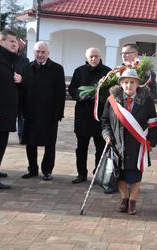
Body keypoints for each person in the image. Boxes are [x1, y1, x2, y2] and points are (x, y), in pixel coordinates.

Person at [101, 68, 157, 215]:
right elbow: (105, 121)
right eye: (125, 82)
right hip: (118, 144)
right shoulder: (112, 101)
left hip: (138, 144)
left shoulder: (147, 100)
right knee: (120, 173)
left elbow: (153, 123)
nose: (129, 85)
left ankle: (132, 202)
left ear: (138, 84)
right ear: (121, 84)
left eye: (132, 82)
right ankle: (124, 199)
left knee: (135, 174)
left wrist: (151, 142)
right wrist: (107, 135)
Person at [21, 41, 66, 181]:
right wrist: (21, 111)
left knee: (49, 143)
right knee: (30, 142)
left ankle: (47, 170)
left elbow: (61, 93)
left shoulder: (57, 69)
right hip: (30, 113)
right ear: (34, 52)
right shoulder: (26, 68)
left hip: (49, 113)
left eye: (43, 52)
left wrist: (59, 113)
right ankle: (32, 169)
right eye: (37, 52)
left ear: (48, 53)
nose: (40, 55)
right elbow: (22, 91)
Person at [68, 48, 111, 184]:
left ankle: (98, 174)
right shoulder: (79, 71)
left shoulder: (107, 72)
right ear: (86, 57)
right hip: (82, 116)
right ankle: (81, 174)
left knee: (100, 148)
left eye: (96, 56)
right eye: (91, 56)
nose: (94, 59)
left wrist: (101, 96)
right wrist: (81, 95)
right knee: (81, 148)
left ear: (100, 57)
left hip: (100, 117)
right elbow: (72, 89)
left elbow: (111, 91)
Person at [0, 30, 22, 189]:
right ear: (1, 42)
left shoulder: (9, 60)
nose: (15, 44)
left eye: (16, 42)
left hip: (5, 113)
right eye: (11, 41)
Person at [15, 38, 29, 144]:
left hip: (21, 92)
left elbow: (29, 76)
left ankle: (22, 137)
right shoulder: (0, 58)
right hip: (6, 94)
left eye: (15, 43)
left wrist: (22, 79)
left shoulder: (25, 60)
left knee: (21, 117)